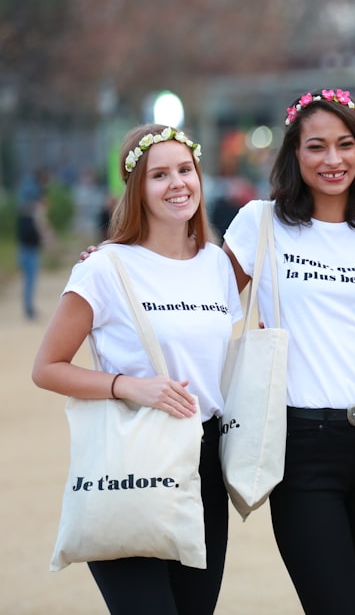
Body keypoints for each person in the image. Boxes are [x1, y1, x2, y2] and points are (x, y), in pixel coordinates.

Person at [32, 123, 241, 614]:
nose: (177, 184)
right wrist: (128, 386)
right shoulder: (104, 268)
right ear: (136, 189)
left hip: (203, 463)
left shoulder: (216, 264)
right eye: (159, 175)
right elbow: (47, 367)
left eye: (185, 170)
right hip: (131, 459)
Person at [221, 88, 355, 615]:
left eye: (345, 145)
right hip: (302, 445)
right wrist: (124, 257)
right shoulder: (259, 223)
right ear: (294, 154)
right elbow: (201, 299)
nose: (333, 160)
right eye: (316, 147)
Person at [16, 195, 51, 320]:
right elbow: (33, 236)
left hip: (28, 251)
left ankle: (29, 307)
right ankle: (29, 309)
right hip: (28, 252)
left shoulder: (28, 220)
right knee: (29, 282)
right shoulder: (30, 220)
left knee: (29, 281)